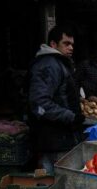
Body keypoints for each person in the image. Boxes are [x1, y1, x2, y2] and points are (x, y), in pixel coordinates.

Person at [28, 25, 84, 175]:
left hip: (62, 136)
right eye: (66, 43)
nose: (71, 47)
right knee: (56, 181)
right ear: (53, 44)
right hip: (53, 138)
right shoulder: (48, 65)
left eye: (72, 44)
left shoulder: (59, 63)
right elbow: (40, 104)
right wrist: (71, 116)